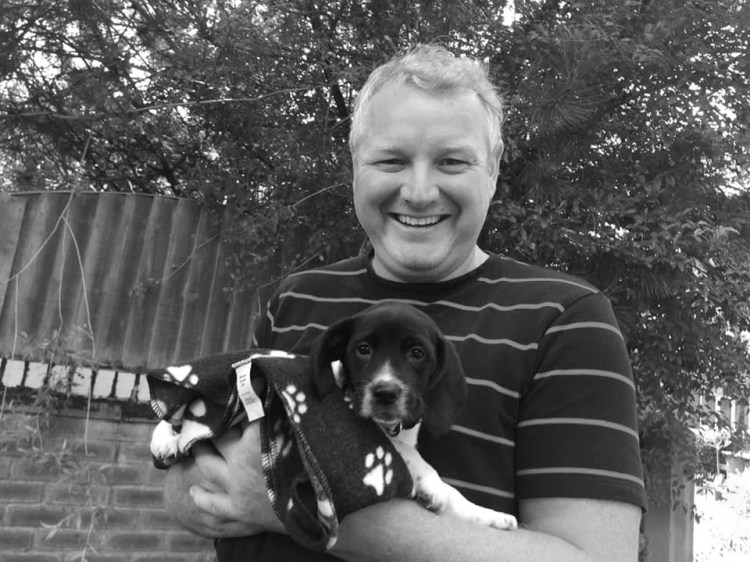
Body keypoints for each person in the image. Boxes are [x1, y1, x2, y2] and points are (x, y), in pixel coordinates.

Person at [164, 44, 647, 561]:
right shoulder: (297, 296)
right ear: (356, 166)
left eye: (452, 161)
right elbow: (191, 484)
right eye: (391, 160)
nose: (419, 191)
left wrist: (297, 504)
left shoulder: (565, 320)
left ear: (492, 169)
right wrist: (192, 482)